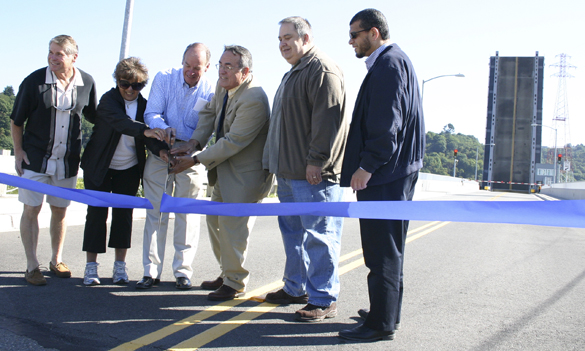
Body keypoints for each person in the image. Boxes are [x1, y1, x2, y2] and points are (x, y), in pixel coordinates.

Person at [338, 9, 425, 342]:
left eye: (355, 34)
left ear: (373, 33)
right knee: (391, 248)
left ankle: (380, 324)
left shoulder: (388, 65)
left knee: (381, 250)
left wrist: (367, 167)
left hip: (385, 175)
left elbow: (386, 126)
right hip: (396, 172)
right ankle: (386, 313)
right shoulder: (396, 61)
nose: (351, 41)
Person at [170, 45, 273, 301]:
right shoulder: (223, 86)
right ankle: (227, 273)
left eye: (229, 66)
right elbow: (208, 114)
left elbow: (234, 141)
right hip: (224, 172)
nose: (222, 71)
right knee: (215, 222)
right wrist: (194, 142)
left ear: (245, 70)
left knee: (232, 228)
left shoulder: (254, 99)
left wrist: (193, 160)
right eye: (220, 64)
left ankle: (235, 283)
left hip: (246, 177)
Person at [263, 17, 348, 322]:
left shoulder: (321, 69)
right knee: (294, 236)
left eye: (288, 37)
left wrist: (317, 160)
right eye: (280, 39)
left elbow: (328, 121)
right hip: (288, 173)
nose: (283, 43)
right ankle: (295, 287)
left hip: (314, 175)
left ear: (306, 37)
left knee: (320, 236)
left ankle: (324, 298)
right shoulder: (294, 72)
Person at [10, 35, 98, 286]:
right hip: (35, 159)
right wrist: (18, 152)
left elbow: (95, 118)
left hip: (67, 162)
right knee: (31, 210)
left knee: (60, 211)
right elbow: (16, 121)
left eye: (59, 54)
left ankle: (56, 259)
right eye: (51, 52)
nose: (53, 58)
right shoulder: (34, 81)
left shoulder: (87, 82)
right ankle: (31, 265)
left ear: (74, 57)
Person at [80, 57, 168, 286]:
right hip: (99, 166)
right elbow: (122, 123)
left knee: (123, 215)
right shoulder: (108, 100)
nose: (130, 89)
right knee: (96, 214)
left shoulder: (145, 106)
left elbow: (151, 139)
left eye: (137, 85)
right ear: (117, 82)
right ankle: (91, 267)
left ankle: (120, 267)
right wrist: (146, 130)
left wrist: (163, 152)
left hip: (128, 168)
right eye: (125, 84)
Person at [138, 43, 214, 290]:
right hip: (161, 148)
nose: (191, 72)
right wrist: (163, 129)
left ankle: (182, 271)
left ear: (207, 68)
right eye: (187, 66)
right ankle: (150, 271)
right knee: (155, 211)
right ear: (181, 62)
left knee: (187, 214)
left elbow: (208, 127)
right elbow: (151, 113)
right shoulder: (163, 78)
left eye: (197, 68)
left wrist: (191, 148)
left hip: (191, 154)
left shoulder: (212, 91)